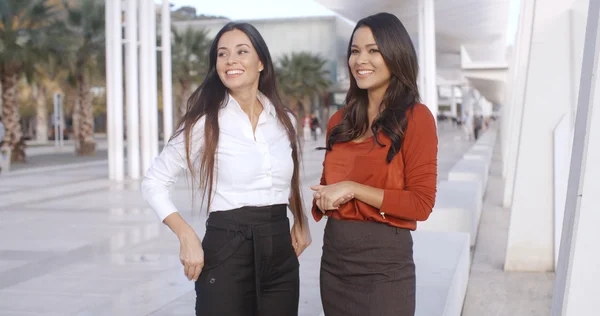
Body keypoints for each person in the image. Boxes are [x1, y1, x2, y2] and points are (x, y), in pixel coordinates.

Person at [141, 22, 311, 316]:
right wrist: (186, 236)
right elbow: (154, 182)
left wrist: (300, 219)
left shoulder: (285, 121)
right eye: (222, 54)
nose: (230, 60)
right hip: (227, 248)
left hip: (279, 249)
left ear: (260, 62)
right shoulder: (204, 123)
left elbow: (288, 178)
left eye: (241, 51)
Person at [310, 12, 438, 316]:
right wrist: (327, 197)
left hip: (385, 266)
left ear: (395, 54)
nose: (360, 60)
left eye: (373, 50)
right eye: (355, 51)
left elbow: (421, 204)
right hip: (336, 261)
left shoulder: (416, 118)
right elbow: (332, 188)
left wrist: (353, 189)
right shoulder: (339, 122)